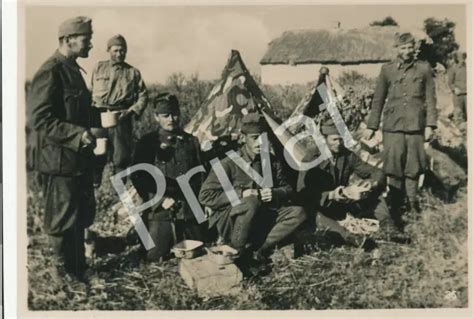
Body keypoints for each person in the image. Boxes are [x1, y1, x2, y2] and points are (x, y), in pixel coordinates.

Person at [28, 16, 100, 283]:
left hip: (77, 160)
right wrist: (77, 134)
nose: (91, 43)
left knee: (80, 215)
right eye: (86, 38)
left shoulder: (73, 69)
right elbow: (39, 120)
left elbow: (77, 113)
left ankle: (78, 270)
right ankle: (62, 276)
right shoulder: (51, 70)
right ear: (68, 39)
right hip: (59, 162)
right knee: (61, 220)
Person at [198, 113, 307, 272]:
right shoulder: (228, 164)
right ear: (243, 138)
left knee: (298, 213)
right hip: (232, 222)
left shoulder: (271, 161)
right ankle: (237, 252)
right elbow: (205, 196)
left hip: (261, 216)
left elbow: (289, 188)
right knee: (250, 202)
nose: (260, 142)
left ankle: (259, 250)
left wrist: (275, 193)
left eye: (263, 138)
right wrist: (241, 193)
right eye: (254, 138)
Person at [298, 119, 405, 248]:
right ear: (324, 139)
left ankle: (388, 226)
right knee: (314, 214)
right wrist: (334, 194)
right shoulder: (312, 158)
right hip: (320, 206)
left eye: (341, 139)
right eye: (334, 140)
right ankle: (350, 237)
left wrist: (371, 183)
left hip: (341, 204)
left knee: (374, 194)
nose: (339, 143)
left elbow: (375, 171)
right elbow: (303, 193)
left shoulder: (347, 155)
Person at [364, 32, 437, 216]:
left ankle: (412, 205)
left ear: (415, 48)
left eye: (410, 47)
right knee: (394, 166)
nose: (407, 51)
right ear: (396, 48)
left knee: (413, 167)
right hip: (392, 126)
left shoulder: (424, 69)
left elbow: (431, 99)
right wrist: (372, 126)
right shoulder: (387, 70)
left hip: (416, 126)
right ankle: (395, 205)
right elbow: (378, 99)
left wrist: (430, 125)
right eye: (403, 48)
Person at [131, 93, 206, 262]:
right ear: (156, 117)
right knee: (154, 256)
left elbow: (200, 176)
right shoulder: (147, 143)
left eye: (174, 114)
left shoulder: (191, 141)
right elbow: (139, 178)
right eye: (165, 115)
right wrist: (160, 200)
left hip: (188, 210)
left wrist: (201, 203)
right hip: (161, 210)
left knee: (198, 250)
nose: (171, 119)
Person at [91, 34, 148, 187]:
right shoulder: (98, 67)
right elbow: (89, 92)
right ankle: (94, 187)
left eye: (122, 51)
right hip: (99, 116)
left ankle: (120, 191)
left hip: (122, 117)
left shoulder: (133, 72)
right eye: (115, 50)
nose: (119, 54)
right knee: (96, 152)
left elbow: (143, 96)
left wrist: (130, 112)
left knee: (121, 157)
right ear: (108, 50)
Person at [447, 51, 467, 123]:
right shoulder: (453, 68)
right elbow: (450, 82)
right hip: (458, 96)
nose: (462, 59)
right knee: (459, 115)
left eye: (463, 57)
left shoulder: (468, 67)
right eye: (460, 57)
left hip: (467, 95)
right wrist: (454, 89)